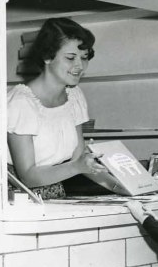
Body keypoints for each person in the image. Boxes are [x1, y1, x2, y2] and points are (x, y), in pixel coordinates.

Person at [7, 17, 121, 199]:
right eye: (70, 58)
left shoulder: (74, 96)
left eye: (84, 58)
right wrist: (77, 166)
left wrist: (125, 188)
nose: (80, 66)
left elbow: (79, 160)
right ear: (47, 56)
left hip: (56, 194)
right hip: (19, 198)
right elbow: (27, 176)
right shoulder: (20, 103)